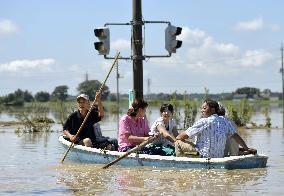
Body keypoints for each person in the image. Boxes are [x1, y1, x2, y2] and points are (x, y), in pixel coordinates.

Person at [175, 99, 257, 158]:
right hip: (219, 156)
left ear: (213, 109)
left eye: (204, 108)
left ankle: (182, 162)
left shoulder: (203, 121)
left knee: (177, 142)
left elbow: (181, 136)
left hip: (204, 155)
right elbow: (236, 137)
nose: (201, 111)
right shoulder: (226, 121)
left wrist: (178, 138)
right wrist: (247, 148)